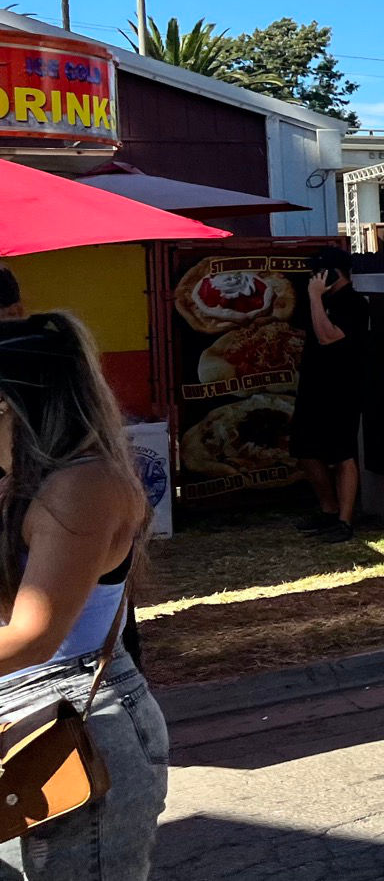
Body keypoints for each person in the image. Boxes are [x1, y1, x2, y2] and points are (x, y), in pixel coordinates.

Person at [0, 313, 169, 877]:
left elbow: (32, 635)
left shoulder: (84, 485)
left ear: (11, 404)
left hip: (72, 719)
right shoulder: (18, 482)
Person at [293, 247, 371, 544]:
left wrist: (314, 297)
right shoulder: (323, 300)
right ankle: (328, 510)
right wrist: (315, 300)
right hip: (313, 386)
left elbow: (328, 337)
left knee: (342, 454)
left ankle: (345, 521)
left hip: (342, 388)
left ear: (334, 274)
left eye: (318, 272)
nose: (313, 277)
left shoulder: (354, 304)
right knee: (305, 450)